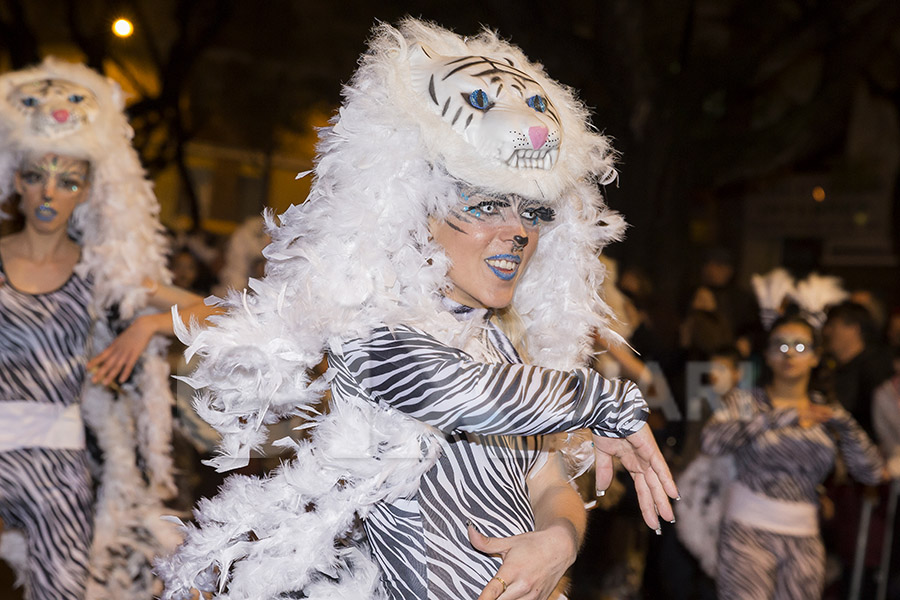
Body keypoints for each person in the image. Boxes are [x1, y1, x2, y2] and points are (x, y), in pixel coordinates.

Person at [158, 19, 677, 600]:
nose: (518, 234)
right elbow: (463, 393)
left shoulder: (502, 341)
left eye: (533, 212)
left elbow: (547, 478)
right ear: (418, 208)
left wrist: (558, 538)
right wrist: (605, 400)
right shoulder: (371, 328)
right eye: (488, 206)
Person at [0, 58, 217, 600]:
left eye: (68, 180)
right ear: (16, 185)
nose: (50, 193)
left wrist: (149, 324)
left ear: (88, 191)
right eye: (35, 176)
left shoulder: (103, 273)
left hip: (59, 468)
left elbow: (222, 308)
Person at [701, 315, 884, 600]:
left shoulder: (826, 411)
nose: (789, 354)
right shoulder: (746, 402)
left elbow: (872, 473)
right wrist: (783, 416)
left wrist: (846, 426)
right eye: (780, 345)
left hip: (804, 536)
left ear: (815, 357)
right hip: (747, 531)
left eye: (800, 347)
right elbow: (711, 442)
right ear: (767, 356)